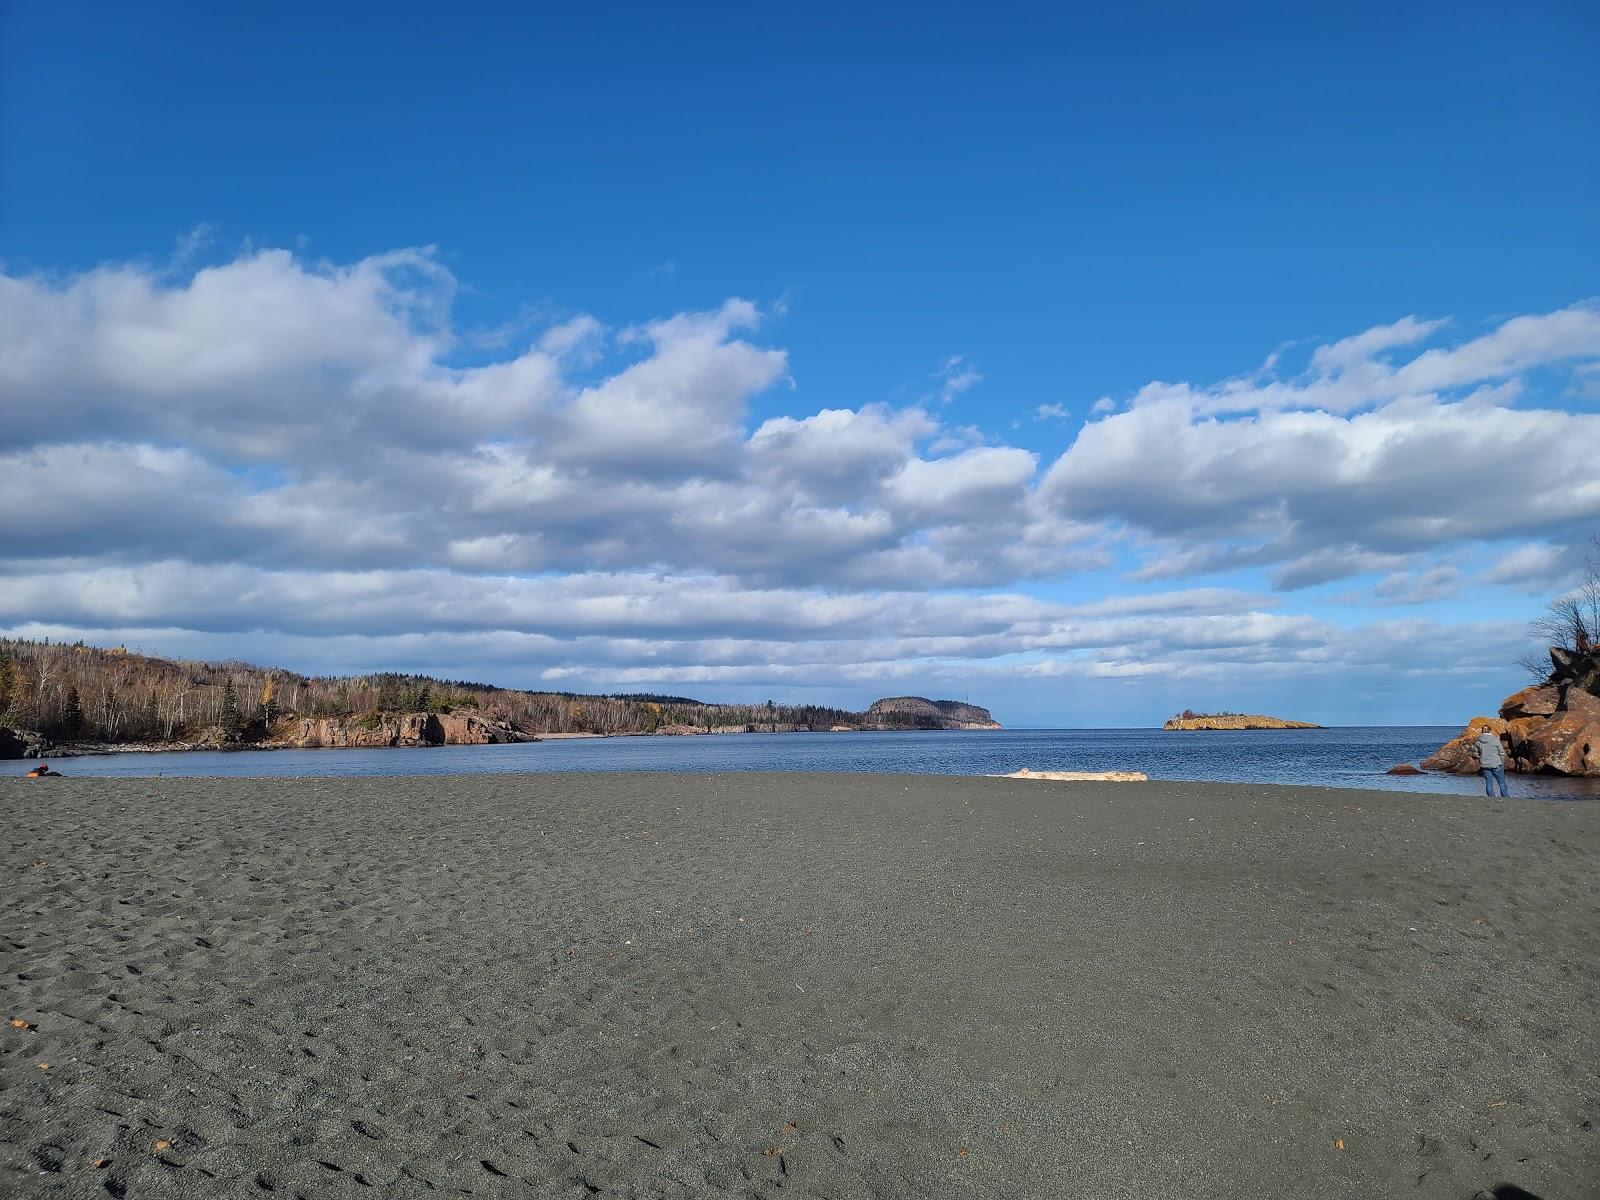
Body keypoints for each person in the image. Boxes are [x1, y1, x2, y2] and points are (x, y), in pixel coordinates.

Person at [1473, 728, 1509, 797]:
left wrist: (1481, 759)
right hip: (1497, 764)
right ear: (1490, 731)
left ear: (1482, 731)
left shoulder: (1478, 741)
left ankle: (1491, 797)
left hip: (1485, 765)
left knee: (1489, 781)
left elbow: (1476, 753)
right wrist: (1502, 761)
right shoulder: (1495, 740)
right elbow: (1501, 752)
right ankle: (1506, 797)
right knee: (1501, 782)